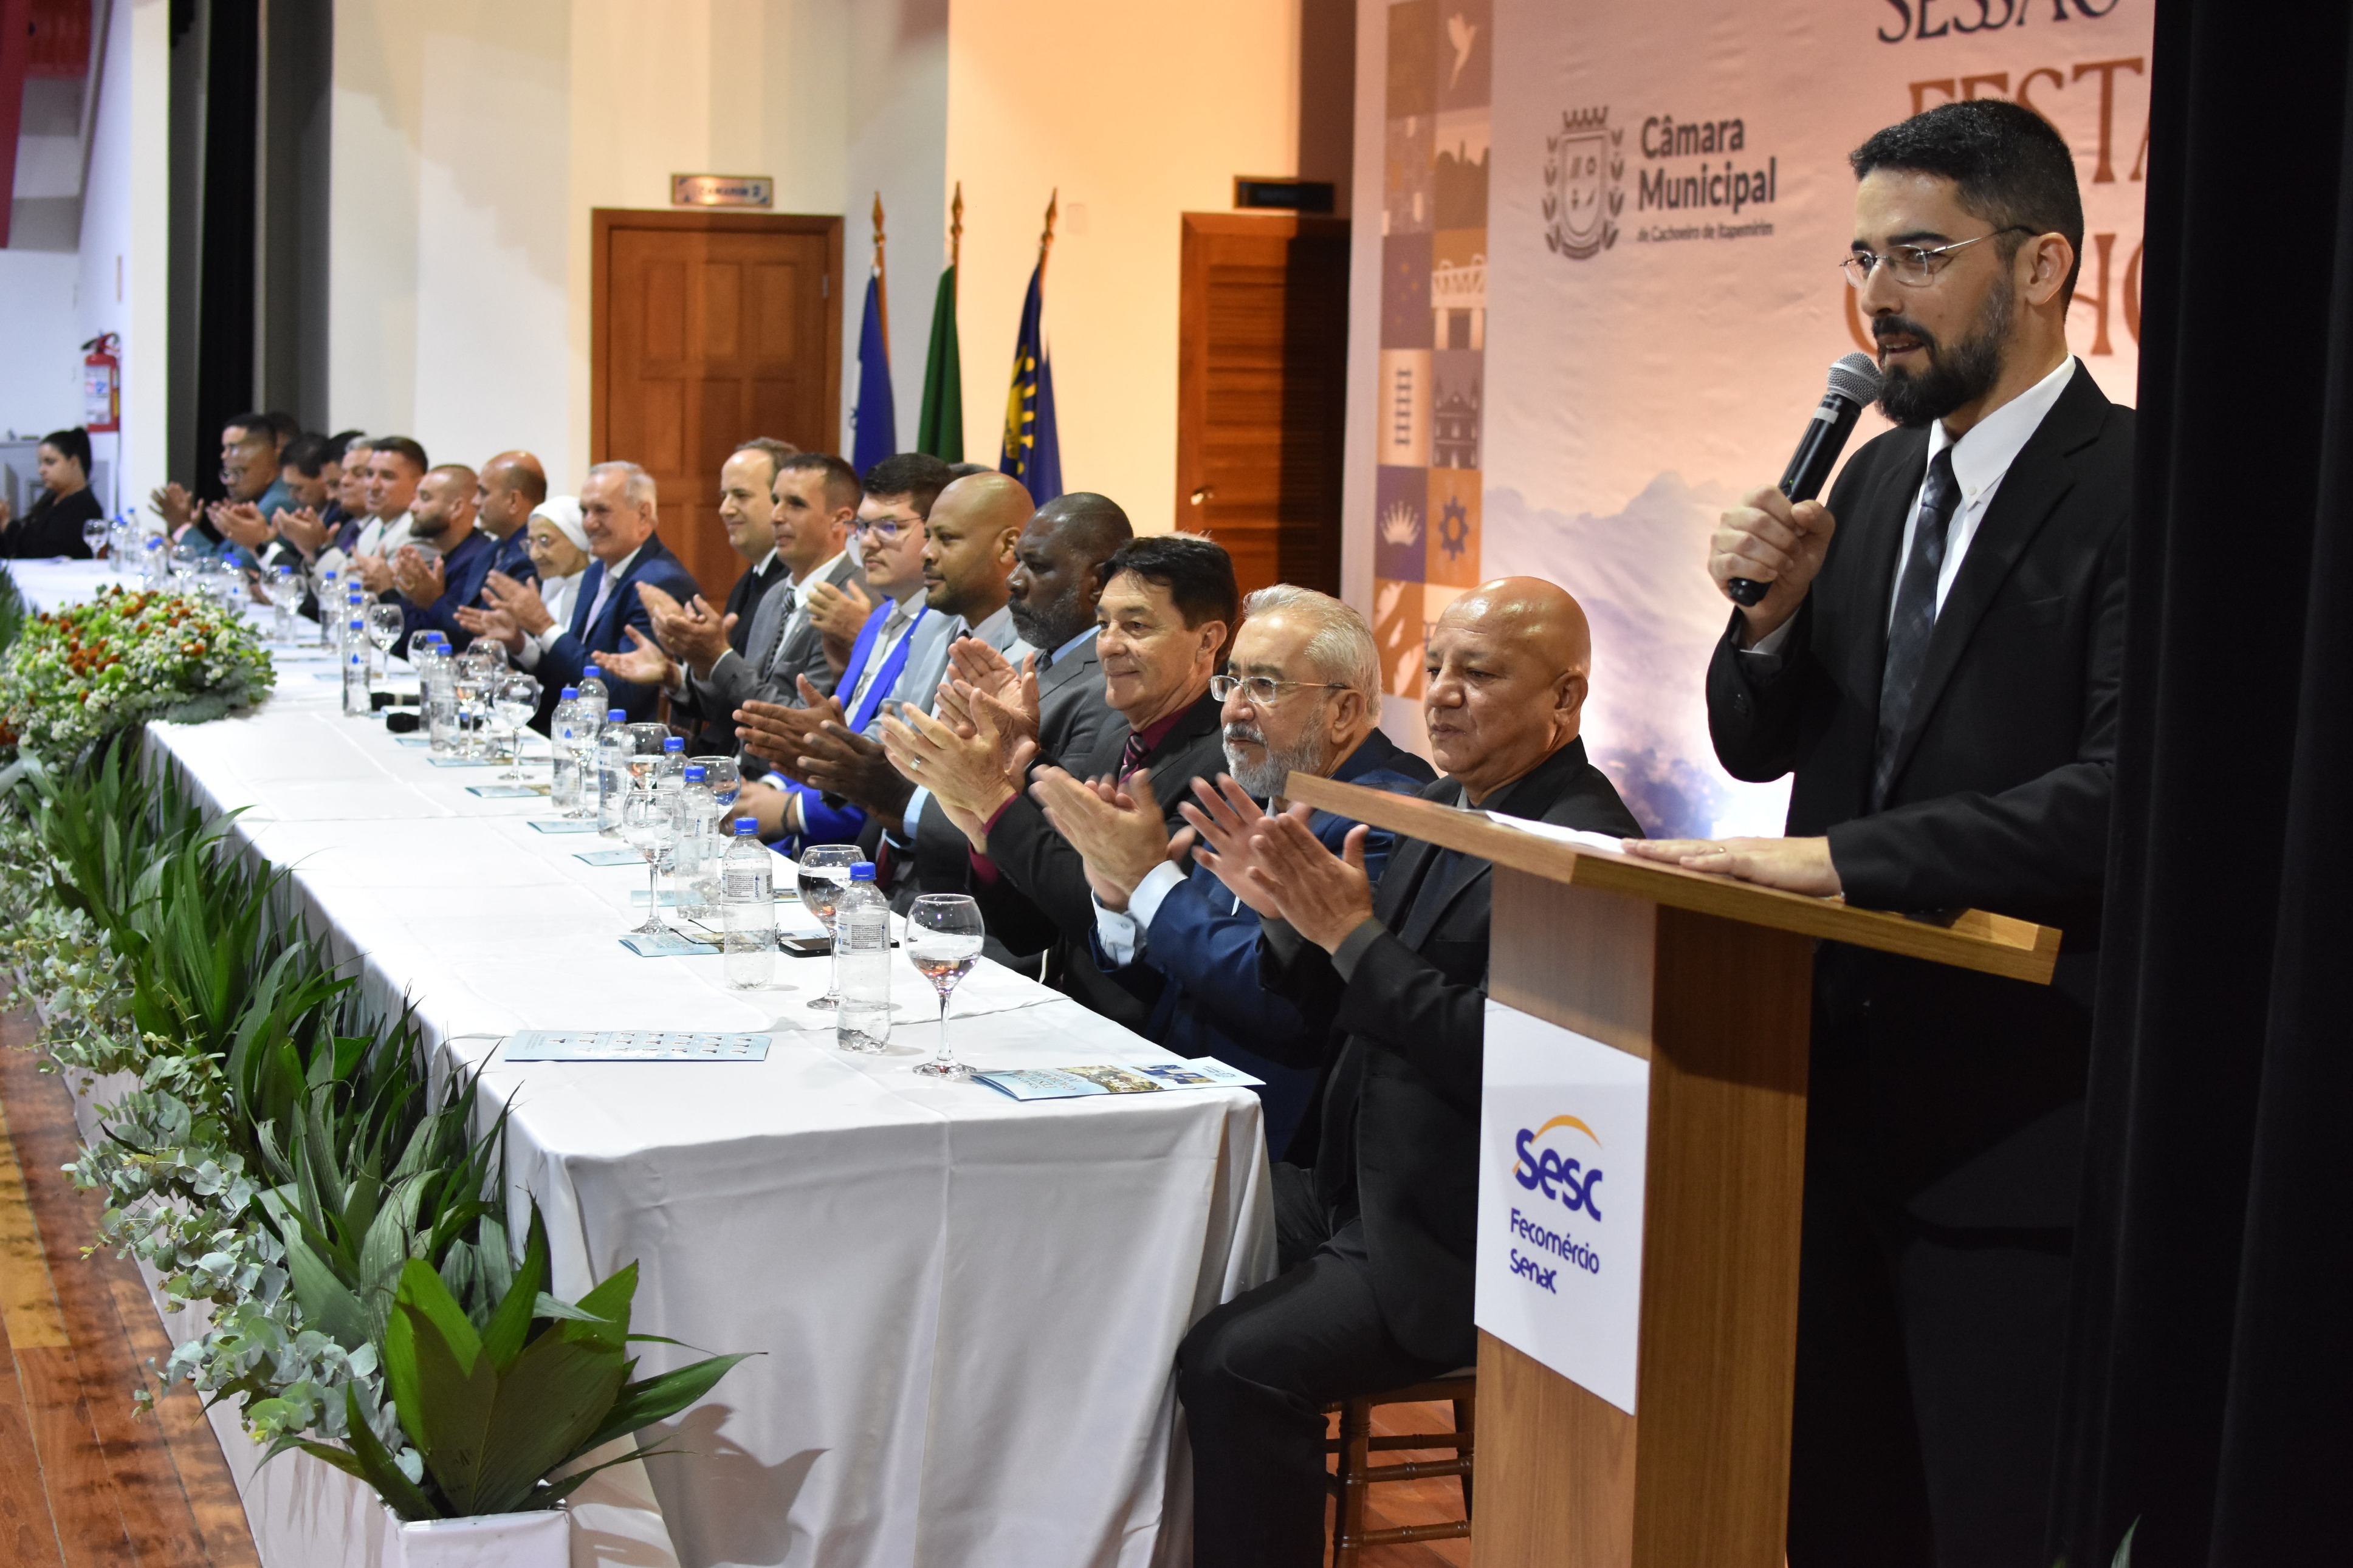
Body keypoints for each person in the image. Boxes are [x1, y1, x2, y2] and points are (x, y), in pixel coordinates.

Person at [1618, 100, 2129, 1568]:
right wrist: (1768, 625)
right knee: (1834, 1519)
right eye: (1861, 260)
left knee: (1987, 1527)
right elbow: (1757, 742)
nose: (1877, 298)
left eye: (1918, 255)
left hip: (2018, 1126)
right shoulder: (1878, 477)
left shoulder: (2141, 488)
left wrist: (1837, 862)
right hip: (1818, 1105)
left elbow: (2116, 795)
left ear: (2041, 265)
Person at [1170, 577, 1640, 1568]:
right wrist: (1290, 922)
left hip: (1456, 1231)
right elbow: (1332, 1004)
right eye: (1437, 668)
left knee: (1232, 1364)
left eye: (1481, 674)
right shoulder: (1437, 804)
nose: (1445, 695)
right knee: (1159, 1228)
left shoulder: (1587, 847)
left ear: (1564, 698)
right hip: (1353, 1182)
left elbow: (1515, 1062)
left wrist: (1351, 936)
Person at [1030, 586, 1434, 1153]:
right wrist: (1120, 902)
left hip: (1276, 1149)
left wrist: (1150, 883)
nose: (1234, 709)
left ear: (1342, 711)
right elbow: (1184, 976)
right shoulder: (1261, 787)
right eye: (1232, 681)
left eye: (1265, 686)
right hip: (1177, 1107)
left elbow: (1283, 1004)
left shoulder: (1381, 819)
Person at [874, 533, 1237, 1029]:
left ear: (1208, 640)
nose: (1109, 645)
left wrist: (995, 801)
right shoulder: (1117, 734)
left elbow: (1108, 915)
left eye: (1136, 625)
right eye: (1103, 623)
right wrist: (1001, 796)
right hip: (1067, 1015)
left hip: (1149, 1034)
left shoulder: (1226, 760)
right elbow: (1032, 930)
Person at [731, 470, 1034, 858]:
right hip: (885, 845)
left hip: (954, 859)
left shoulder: (1029, 652)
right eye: (864, 527)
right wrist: (833, 751)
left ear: (1008, 546)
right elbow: (890, 732)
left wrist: (807, 797)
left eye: (945, 538)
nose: (927, 552)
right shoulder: (934, 624)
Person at [476, 460, 698, 721]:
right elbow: (572, 671)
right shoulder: (595, 572)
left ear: (643, 514)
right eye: (585, 511)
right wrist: (521, 644)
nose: (589, 523)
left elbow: (621, 694)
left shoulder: (660, 581)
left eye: (602, 510)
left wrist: (545, 626)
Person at [627, 438, 797, 754]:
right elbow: (727, 699)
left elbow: (769, 705)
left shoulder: (791, 585)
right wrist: (676, 674)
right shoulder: (752, 578)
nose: (725, 509)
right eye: (724, 496)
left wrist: (710, 656)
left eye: (741, 495)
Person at [150, 412, 295, 564]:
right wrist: (183, 540)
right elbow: (223, 556)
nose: (224, 456)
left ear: (272, 455)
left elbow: (228, 570)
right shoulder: (262, 500)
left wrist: (182, 526)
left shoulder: (279, 504)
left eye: (238, 473)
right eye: (228, 475)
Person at [456, 496, 588, 663]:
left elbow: (585, 666)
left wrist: (543, 626)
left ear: (578, 538)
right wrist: (518, 642)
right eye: (530, 543)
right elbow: (553, 669)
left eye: (544, 541)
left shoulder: (600, 592)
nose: (534, 555)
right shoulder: (554, 587)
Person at [388, 464, 489, 651]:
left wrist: (387, 590)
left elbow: (446, 640)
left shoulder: (474, 561)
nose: (413, 507)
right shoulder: (447, 554)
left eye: (425, 498)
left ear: (456, 508)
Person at [0, 426, 103, 558]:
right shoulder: (51, 500)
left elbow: (42, 553)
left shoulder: (84, 508)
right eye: (40, 463)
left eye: (50, 462)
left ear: (73, 463)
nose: (41, 470)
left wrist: (7, 526)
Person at [473, 450, 549, 584]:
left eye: (484, 493)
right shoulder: (488, 552)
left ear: (514, 501)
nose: (475, 502)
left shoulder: (536, 558)